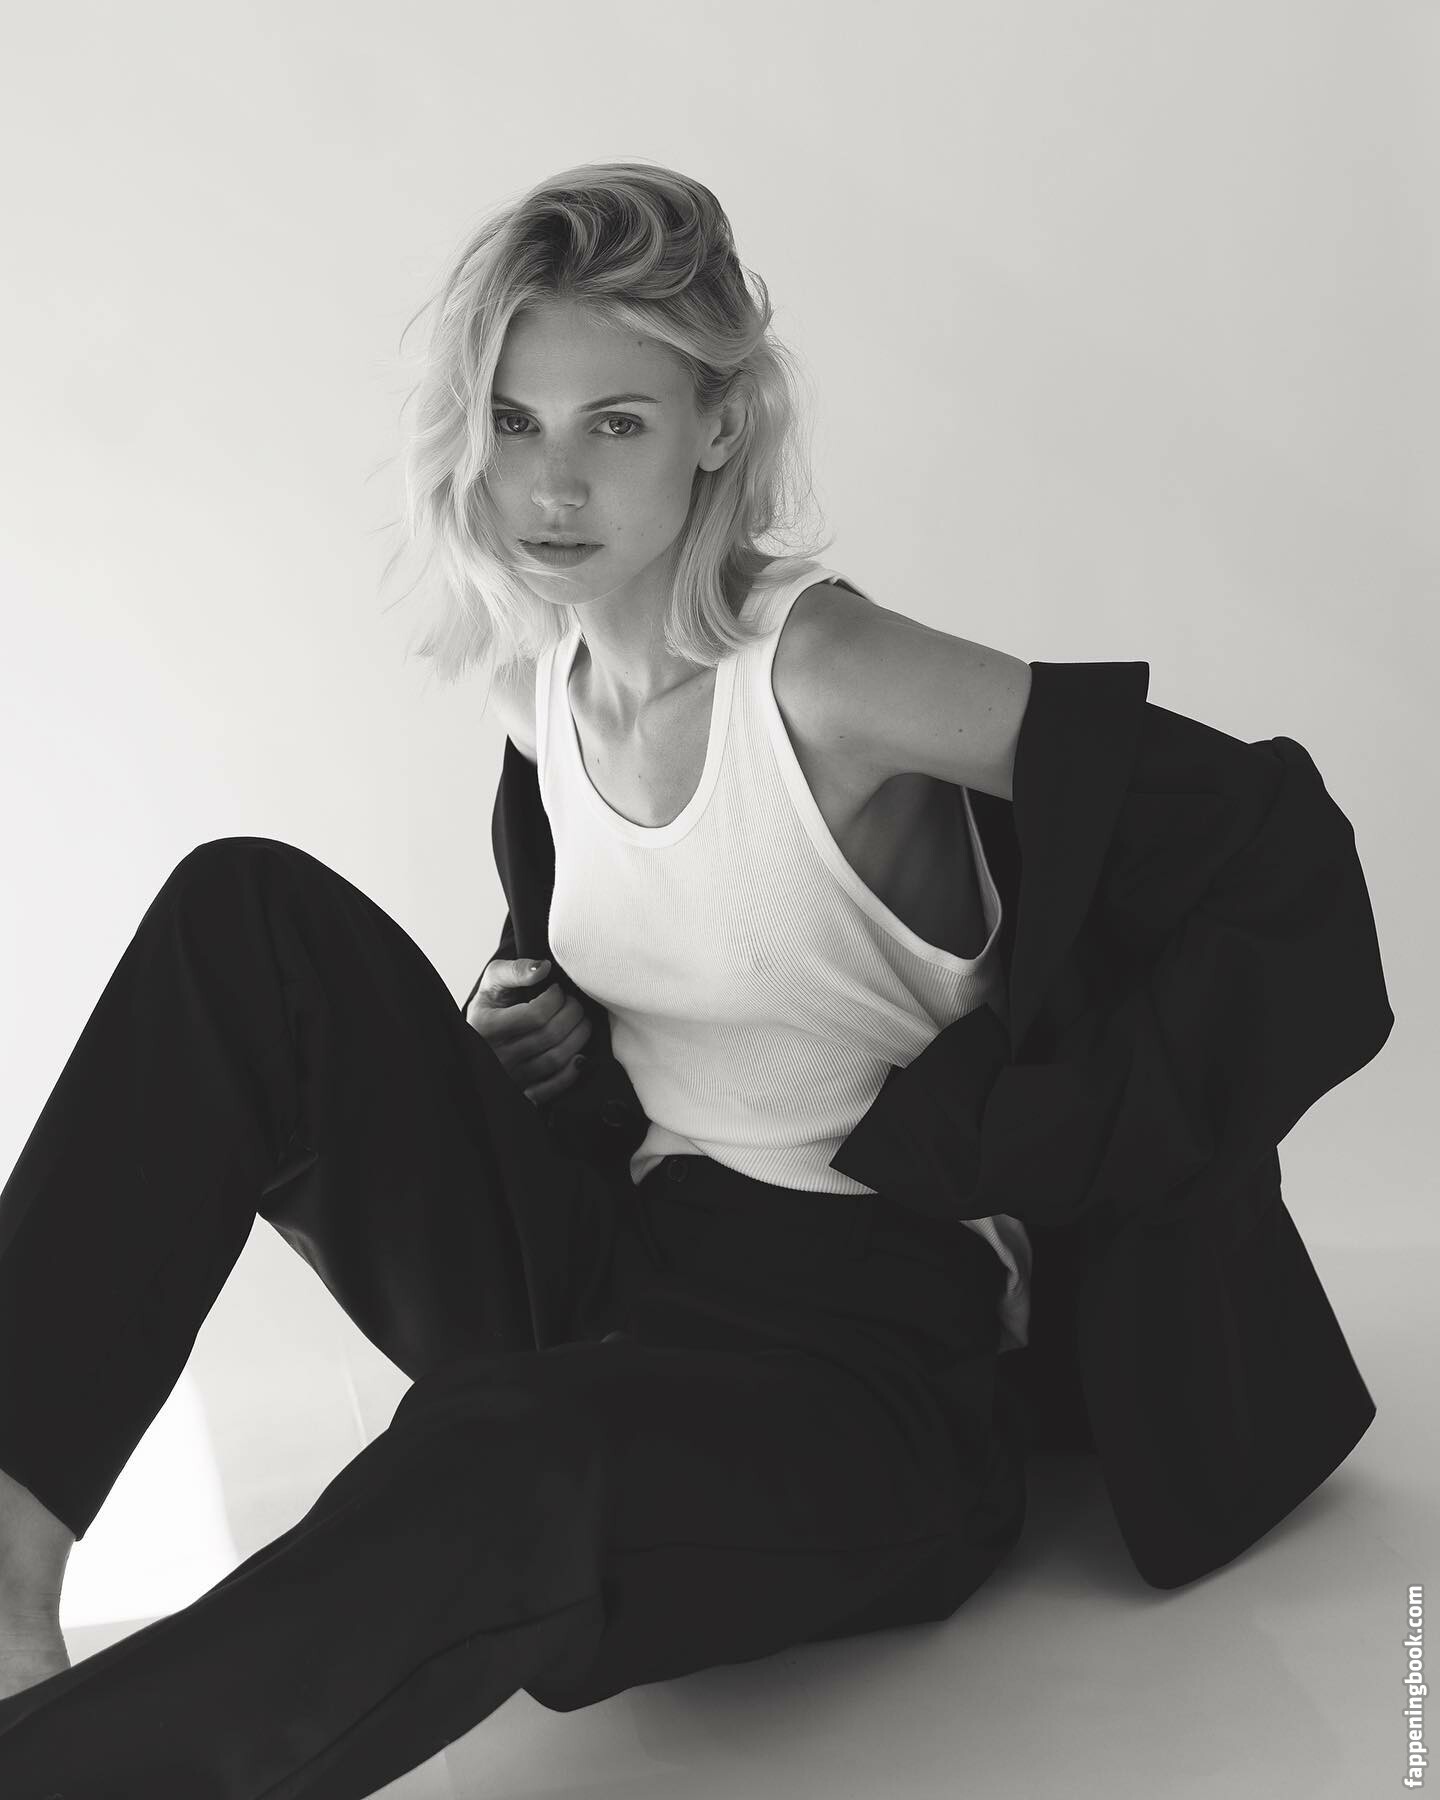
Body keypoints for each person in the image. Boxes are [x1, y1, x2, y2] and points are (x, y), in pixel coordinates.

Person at [0, 160, 1046, 1796]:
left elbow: (1213, 827)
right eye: (511, 420)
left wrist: (1045, 1176)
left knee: (492, 1458)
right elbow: (680, 962)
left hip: (859, 1377)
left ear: (718, 424)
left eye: (614, 423)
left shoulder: (835, 671)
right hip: (624, 1265)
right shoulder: (542, 689)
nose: (549, 483)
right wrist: (532, 1038)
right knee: (242, 918)